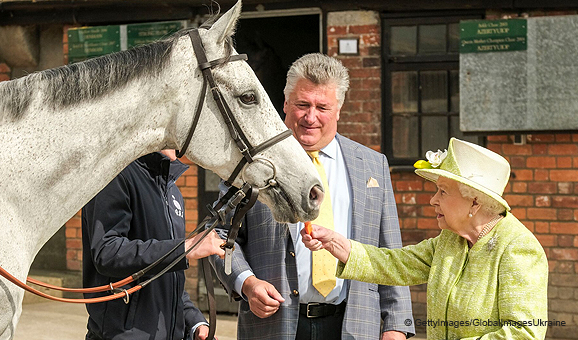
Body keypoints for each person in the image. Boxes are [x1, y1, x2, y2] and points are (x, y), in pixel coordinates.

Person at [211, 53, 414, 340]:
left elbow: (389, 249)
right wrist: (246, 282)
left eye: (322, 107)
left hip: (354, 324)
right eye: (302, 104)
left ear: (339, 110)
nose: (311, 117)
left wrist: (396, 324)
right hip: (274, 326)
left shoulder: (372, 165)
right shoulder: (250, 163)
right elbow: (218, 234)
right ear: (284, 103)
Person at [303, 138, 548, 340]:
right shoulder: (451, 240)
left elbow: (524, 333)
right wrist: (337, 244)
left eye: (443, 191)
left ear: (474, 201)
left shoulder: (518, 248)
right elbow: (397, 264)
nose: (433, 200)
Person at [81, 150, 225, 340]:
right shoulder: (115, 175)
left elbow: (168, 278)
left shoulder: (172, 191)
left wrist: (195, 322)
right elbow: (107, 252)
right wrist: (184, 248)